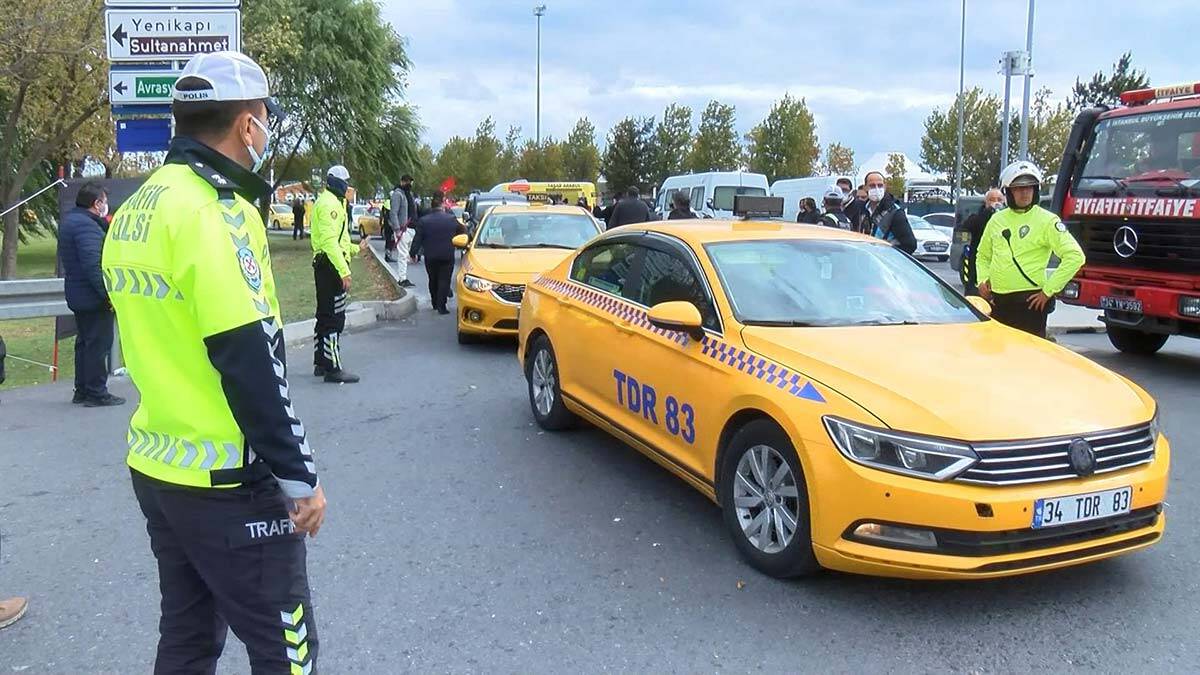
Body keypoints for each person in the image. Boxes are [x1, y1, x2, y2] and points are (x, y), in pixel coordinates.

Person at [101, 51, 324, 673]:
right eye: (264, 116)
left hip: (159, 465)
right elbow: (247, 354)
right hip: (230, 480)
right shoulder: (217, 211)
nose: (265, 130)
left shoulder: (141, 206)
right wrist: (298, 472)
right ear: (246, 124)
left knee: (189, 636)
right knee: (289, 652)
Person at [977, 161, 1086, 338]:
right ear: (1008, 191)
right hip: (998, 301)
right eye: (1019, 188)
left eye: (1030, 187)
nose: (1025, 192)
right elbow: (982, 255)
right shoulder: (996, 221)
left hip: (1031, 302)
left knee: (1030, 357)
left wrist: (1048, 291)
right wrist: (982, 280)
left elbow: (1075, 256)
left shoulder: (1047, 221)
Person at [60, 182, 124, 407]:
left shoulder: (72, 221)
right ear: (96, 204)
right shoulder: (86, 227)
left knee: (85, 343)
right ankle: (97, 392)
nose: (106, 205)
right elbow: (93, 265)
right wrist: (108, 296)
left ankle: (83, 390)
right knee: (98, 344)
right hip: (92, 296)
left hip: (78, 294)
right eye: (104, 201)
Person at [312, 164, 369, 383]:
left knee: (324, 315)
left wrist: (356, 248)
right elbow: (329, 243)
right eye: (345, 182)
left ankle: (321, 361)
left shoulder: (333, 202)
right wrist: (344, 272)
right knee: (334, 318)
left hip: (326, 264)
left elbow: (340, 241)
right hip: (331, 268)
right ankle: (333, 367)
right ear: (337, 182)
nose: (348, 187)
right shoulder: (330, 206)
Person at [410, 190, 465, 314]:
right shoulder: (451, 219)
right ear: (442, 205)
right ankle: (442, 306)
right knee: (444, 280)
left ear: (432, 205)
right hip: (447, 255)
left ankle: (435, 302)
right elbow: (462, 232)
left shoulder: (424, 221)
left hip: (430, 255)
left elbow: (417, 238)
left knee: (433, 279)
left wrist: (413, 253)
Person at [960, 188, 1005, 295]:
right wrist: (989, 212)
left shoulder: (1009, 218)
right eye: (992, 199)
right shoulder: (978, 216)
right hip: (977, 270)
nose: (996, 202)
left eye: (999, 199)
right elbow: (967, 226)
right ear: (986, 202)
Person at [862, 171, 917, 254]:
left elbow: (910, 245)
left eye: (880, 185)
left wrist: (888, 255)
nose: (876, 189)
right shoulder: (863, 210)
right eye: (872, 186)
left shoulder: (895, 212)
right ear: (865, 188)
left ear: (885, 186)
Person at [393, 175, 419, 278]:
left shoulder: (409, 195)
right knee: (403, 255)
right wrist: (397, 229)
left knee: (406, 255)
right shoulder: (398, 194)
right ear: (402, 182)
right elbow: (393, 213)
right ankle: (402, 278)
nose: (409, 185)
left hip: (411, 228)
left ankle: (403, 277)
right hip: (403, 228)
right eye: (407, 182)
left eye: (410, 183)